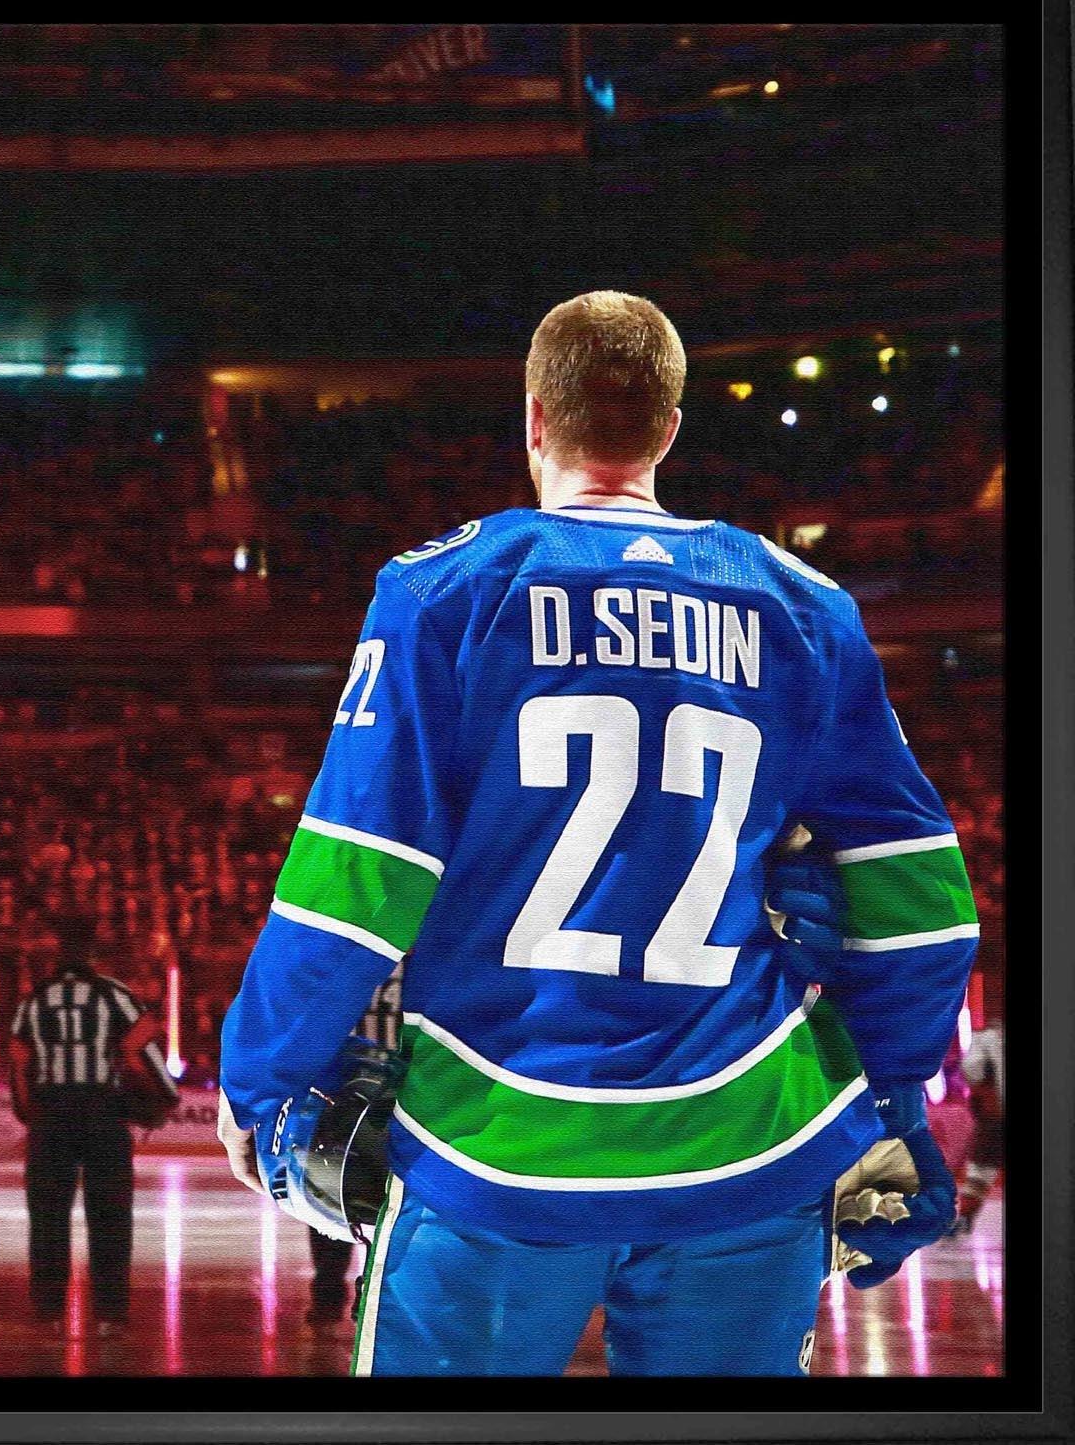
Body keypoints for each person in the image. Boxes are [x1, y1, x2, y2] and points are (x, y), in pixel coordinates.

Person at [219, 291, 979, 1377]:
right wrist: (895, 1093)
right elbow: (916, 899)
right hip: (745, 1149)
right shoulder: (801, 607)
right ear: (670, 425)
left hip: (497, 1144)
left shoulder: (443, 591)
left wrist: (257, 1078)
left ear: (534, 418)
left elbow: (352, 881)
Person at [10, 925, 177, 1332]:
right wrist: (165, 1096)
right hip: (102, 1112)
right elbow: (142, 1040)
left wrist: (29, 1113)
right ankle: (110, 1313)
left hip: (51, 1114)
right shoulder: (113, 994)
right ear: (93, 959)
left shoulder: (34, 1000)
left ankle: (48, 1311)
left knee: (48, 1215)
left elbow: (18, 1060)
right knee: (111, 1216)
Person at [306, 966, 403, 1327]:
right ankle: (349, 1294)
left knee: (335, 1197)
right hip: (385, 1099)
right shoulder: (430, 955)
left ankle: (333, 1295)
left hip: (353, 1098)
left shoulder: (347, 958)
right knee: (371, 1201)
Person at [953, 1021, 1004, 1235]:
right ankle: (965, 1217)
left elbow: (972, 1071)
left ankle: (965, 1217)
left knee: (980, 1170)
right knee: (980, 1170)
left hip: (996, 1115)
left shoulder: (989, 1038)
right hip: (995, 1116)